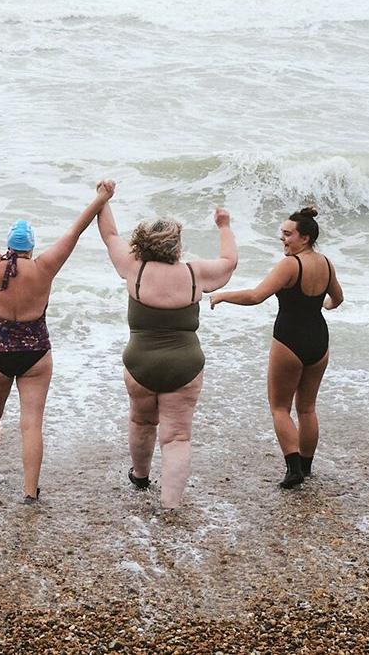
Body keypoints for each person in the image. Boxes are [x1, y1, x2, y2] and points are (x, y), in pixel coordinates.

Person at [0, 182, 114, 503]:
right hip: (36, 355)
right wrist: (101, 198)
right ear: (31, 246)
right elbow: (75, 231)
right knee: (31, 424)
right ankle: (29, 492)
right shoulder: (44, 267)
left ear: (9, 244)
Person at [97, 191, 238, 509]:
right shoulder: (194, 273)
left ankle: (141, 477)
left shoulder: (134, 268)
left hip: (140, 365)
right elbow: (230, 263)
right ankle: (170, 506)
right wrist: (224, 226)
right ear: (176, 245)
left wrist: (103, 200)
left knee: (141, 422)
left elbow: (108, 234)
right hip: (185, 366)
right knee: (177, 437)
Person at [210, 207, 343, 489]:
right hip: (319, 338)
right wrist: (322, 306)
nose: (282, 239)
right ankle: (306, 467)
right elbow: (337, 299)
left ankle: (293, 469)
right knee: (307, 408)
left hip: (289, 339)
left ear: (304, 238)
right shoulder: (326, 264)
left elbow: (256, 296)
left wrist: (222, 295)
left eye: (287, 234)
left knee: (280, 407)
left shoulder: (290, 265)